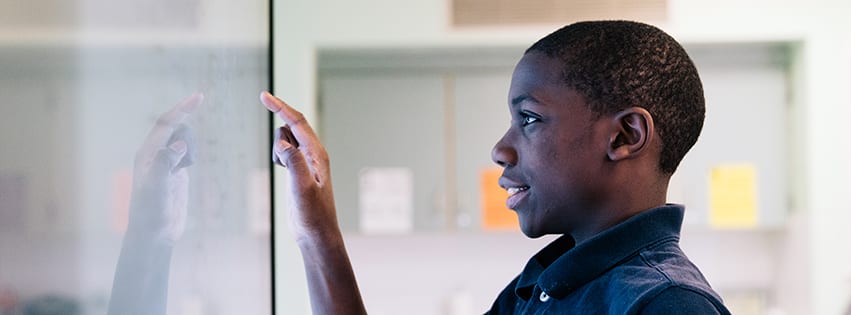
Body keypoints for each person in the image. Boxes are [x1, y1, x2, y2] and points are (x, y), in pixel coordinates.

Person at [261, 20, 731, 314]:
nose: (500, 150)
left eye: (529, 118)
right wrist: (316, 232)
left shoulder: (667, 304)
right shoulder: (539, 288)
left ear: (624, 136)